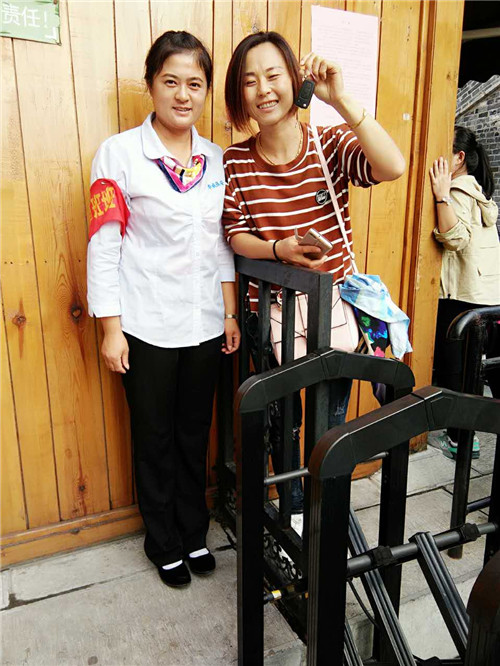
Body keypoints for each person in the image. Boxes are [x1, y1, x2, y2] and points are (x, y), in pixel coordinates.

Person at [222, 32, 405, 508]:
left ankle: (326, 512)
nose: (263, 89)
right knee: (284, 425)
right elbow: (235, 233)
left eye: (273, 75)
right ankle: (295, 512)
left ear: (295, 80)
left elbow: (393, 166)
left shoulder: (329, 143)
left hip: (334, 314)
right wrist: (279, 248)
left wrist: (340, 99)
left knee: (330, 423)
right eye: (249, 81)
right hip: (272, 317)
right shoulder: (236, 160)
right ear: (238, 93)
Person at [87, 31, 240, 588]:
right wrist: (111, 329)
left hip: (203, 325)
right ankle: (163, 541)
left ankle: (194, 531)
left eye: (194, 84)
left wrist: (229, 314)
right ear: (150, 84)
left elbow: (222, 244)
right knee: (153, 437)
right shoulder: (119, 154)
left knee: (194, 434)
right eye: (170, 81)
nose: (182, 94)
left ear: (206, 91)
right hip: (145, 325)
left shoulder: (216, 159)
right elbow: (104, 244)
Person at [430, 125, 499, 459]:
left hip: (461, 297)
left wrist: (441, 195)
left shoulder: (456, 190)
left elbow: (456, 238)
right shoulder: (480, 191)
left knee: (455, 372)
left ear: (459, 157)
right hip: (487, 295)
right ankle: (468, 435)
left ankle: (460, 439)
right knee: (477, 369)